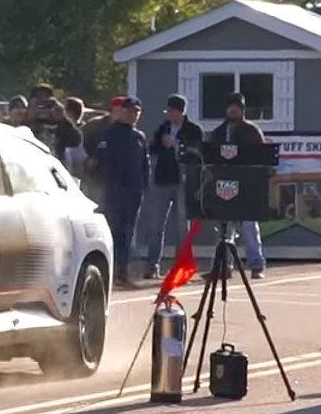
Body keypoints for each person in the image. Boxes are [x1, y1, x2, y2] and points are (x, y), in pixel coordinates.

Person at [142, 94, 203, 279]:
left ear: (181, 111)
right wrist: (161, 143)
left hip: (183, 181)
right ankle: (153, 265)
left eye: (173, 111)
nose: (170, 114)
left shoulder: (194, 130)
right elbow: (152, 149)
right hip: (162, 179)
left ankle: (180, 267)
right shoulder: (163, 128)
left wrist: (179, 144)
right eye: (168, 111)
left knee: (182, 227)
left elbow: (198, 154)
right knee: (156, 225)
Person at [210, 91, 266, 279]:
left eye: (237, 107)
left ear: (243, 110)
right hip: (224, 185)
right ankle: (224, 266)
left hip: (247, 184)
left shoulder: (252, 131)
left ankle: (256, 265)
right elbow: (211, 158)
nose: (233, 110)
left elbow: (261, 159)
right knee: (225, 228)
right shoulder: (218, 132)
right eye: (230, 107)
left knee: (250, 226)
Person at [98, 96, 150, 286]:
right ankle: (109, 272)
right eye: (129, 111)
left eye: (136, 112)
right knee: (114, 231)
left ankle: (123, 272)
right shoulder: (110, 134)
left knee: (128, 233)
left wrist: (144, 185)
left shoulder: (139, 137)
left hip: (134, 191)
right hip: (115, 190)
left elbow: (145, 164)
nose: (133, 115)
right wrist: (109, 183)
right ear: (122, 112)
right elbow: (102, 161)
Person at [81, 95, 125, 204]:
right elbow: (79, 141)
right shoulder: (95, 125)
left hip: (115, 175)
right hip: (95, 173)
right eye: (118, 110)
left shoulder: (126, 128)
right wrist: (88, 158)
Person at [24, 96, 82, 161]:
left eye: (49, 106)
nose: (45, 110)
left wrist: (63, 118)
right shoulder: (26, 128)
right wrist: (30, 118)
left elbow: (76, 141)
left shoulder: (62, 128)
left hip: (54, 163)